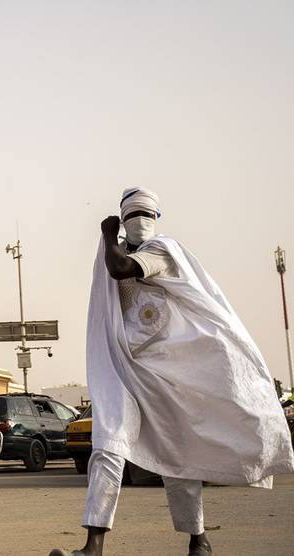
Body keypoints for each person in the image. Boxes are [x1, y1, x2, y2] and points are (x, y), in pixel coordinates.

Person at [51, 188, 294, 556]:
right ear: (124, 217)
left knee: (178, 458)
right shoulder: (115, 252)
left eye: (145, 213)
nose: (140, 221)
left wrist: (106, 234)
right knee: (108, 446)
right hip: (126, 369)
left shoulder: (162, 251)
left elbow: (120, 270)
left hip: (166, 372)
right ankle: (93, 546)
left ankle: (199, 540)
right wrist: (110, 241)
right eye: (133, 214)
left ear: (157, 217)